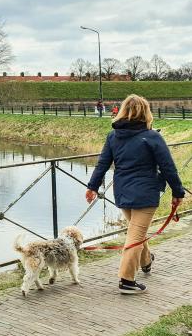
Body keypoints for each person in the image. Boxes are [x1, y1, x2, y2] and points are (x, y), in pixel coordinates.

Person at [85, 94, 185, 294]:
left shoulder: (113, 136)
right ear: (145, 112)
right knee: (136, 235)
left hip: (122, 192)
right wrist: (177, 192)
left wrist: (93, 187)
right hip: (146, 193)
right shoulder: (152, 137)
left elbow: (102, 164)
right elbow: (168, 167)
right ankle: (126, 280)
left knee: (136, 232)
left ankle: (146, 260)